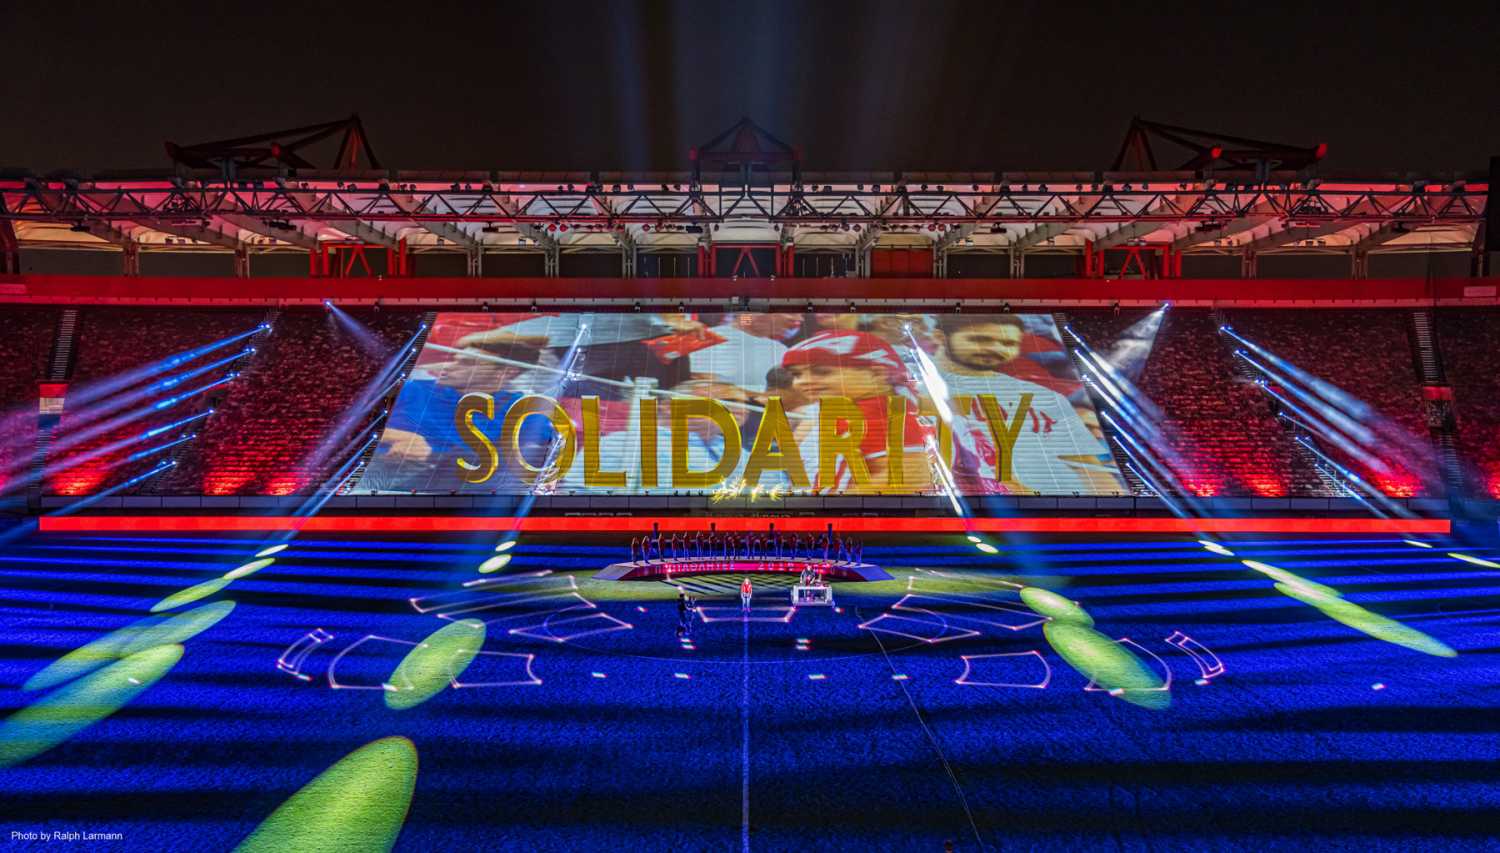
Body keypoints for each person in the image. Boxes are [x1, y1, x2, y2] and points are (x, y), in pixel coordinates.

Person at [930, 315, 1123, 495]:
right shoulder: (914, 386)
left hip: (1062, 514)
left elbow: (1088, 467)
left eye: (1009, 343)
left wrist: (1119, 514)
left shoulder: (1044, 396)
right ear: (940, 337)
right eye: (981, 339)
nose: (997, 349)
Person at [781, 329, 943, 494]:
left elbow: (911, 477)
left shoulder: (881, 413)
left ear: (877, 374)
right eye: (796, 374)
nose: (803, 382)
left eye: (821, 372)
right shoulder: (853, 409)